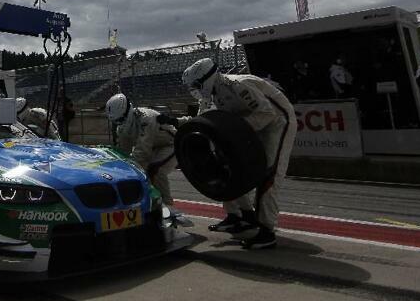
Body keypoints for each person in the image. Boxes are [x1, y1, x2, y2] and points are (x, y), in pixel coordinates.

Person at [182, 58, 297, 250]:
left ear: (206, 78)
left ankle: (266, 231)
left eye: (196, 84)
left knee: (268, 174)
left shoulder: (238, 85)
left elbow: (267, 113)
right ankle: (239, 216)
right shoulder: (213, 94)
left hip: (279, 122)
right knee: (228, 167)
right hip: (253, 126)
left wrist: (236, 131)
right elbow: (203, 119)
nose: (194, 88)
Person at [105, 93, 188, 224]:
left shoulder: (146, 119)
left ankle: (169, 209)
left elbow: (142, 152)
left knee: (155, 170)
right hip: (154, 147)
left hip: (172, 144)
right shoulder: (121, 128)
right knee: (143, 172)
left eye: (120, 120)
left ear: (127, 112)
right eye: (115, 122)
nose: (118, 124)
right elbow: (123, 153)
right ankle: (150, 207)